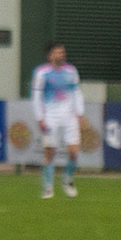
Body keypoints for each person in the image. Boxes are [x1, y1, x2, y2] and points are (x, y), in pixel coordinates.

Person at [31, 42, 86, 200]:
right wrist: (39, 117)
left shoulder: (71, 71)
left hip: (70, 117)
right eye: (57, 52)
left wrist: (80, 114)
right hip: (50, 118)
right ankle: (48, 187)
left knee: (74, 152)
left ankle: (68, 180)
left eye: (62, 52)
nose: (61, 55)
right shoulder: (42, 73)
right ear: (50, 55)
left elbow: (76, 92)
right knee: (50, 151)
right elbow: (36, 97)